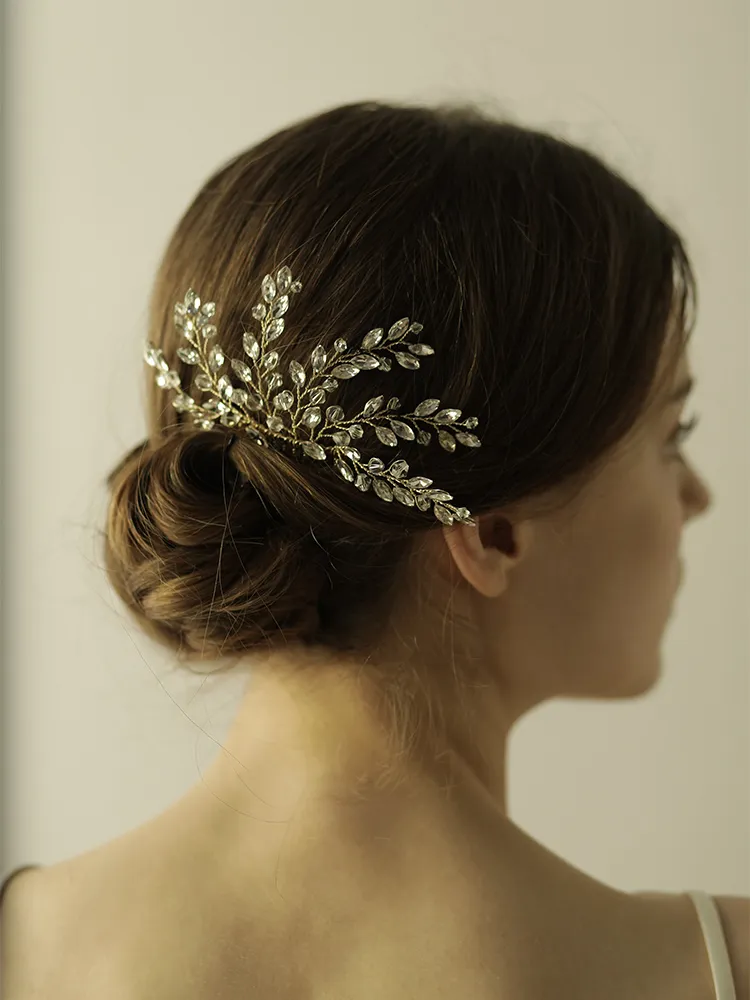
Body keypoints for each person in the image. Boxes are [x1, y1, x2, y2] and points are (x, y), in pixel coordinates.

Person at [1, 100, 747, 1000]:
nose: (697, 495)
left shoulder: (28, 949)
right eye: (673, 433)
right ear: (490, 531)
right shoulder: (713, 969)